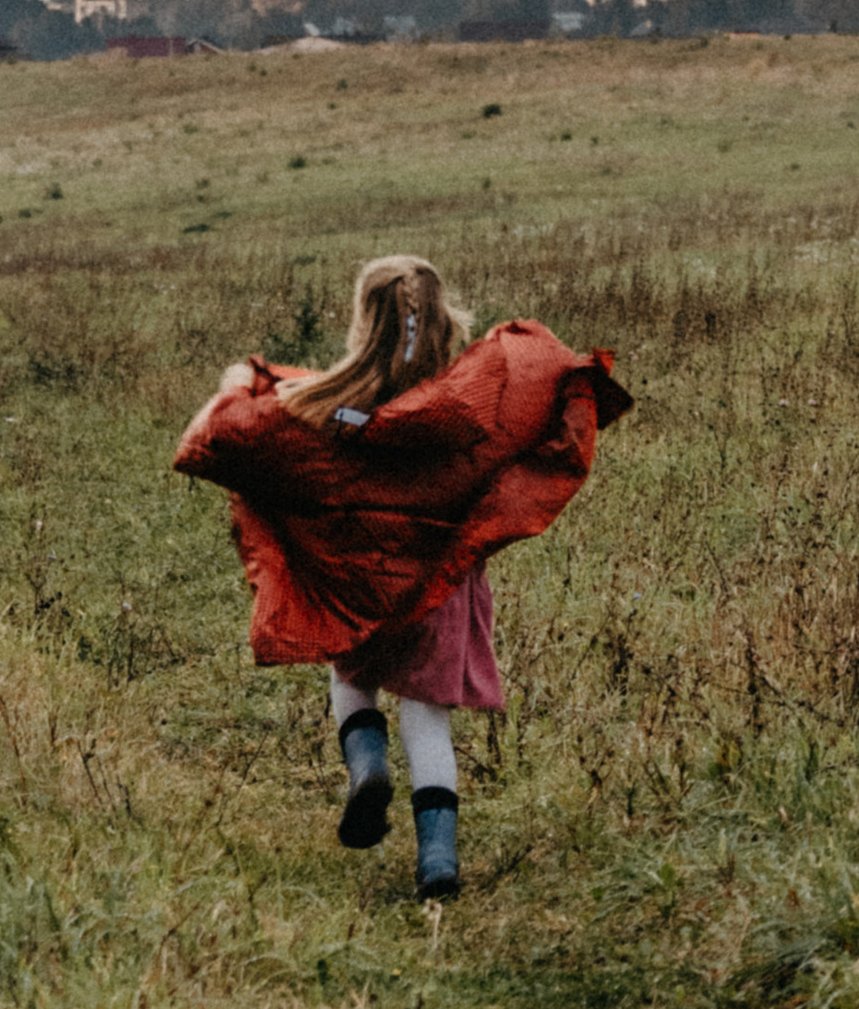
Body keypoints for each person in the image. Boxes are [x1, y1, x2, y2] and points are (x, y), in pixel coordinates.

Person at [174, 253, 631, 897]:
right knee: (427, 717)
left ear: (363, 320)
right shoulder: (468, 399)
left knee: (350, 673)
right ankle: (438, 859)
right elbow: (547, 378)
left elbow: (228, 434)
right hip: (437, 585)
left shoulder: (318, 406)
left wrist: (240, 382)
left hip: (357, 575)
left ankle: (366, 767)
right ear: (444, 318)